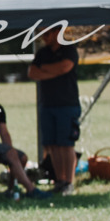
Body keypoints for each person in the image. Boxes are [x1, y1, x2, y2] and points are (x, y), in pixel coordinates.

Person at [28, 27, 80, 195]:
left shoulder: (69, 50)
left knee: (66, 144)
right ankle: (60, 180)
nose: (44, 37)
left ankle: (69, 182)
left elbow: (65, 67)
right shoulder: (42, 53)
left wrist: (45, 70)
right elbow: (32, 72)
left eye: (47, 34)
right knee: (52, 145)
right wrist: (53, 71)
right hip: (47, 105)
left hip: (67, 104)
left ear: (57, 33)